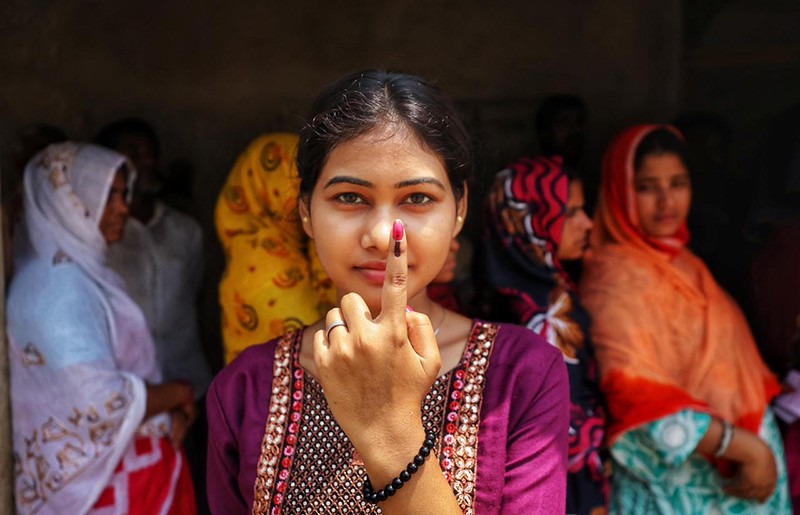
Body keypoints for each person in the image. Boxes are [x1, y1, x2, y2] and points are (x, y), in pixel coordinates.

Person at [206, 69, 570, 514]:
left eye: (417, 198)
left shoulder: (522, 374)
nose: (381, 235)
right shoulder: (245, 389)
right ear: (305, 211)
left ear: (459, 211)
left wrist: (389, 432)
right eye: (350, 198)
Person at [579, 124, 790, 513]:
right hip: (685, 490)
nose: (666, 201)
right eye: (646, 187)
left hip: (734, 484)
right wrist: (745, 448)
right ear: (619, 191)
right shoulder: (614, 278)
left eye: (677, 183)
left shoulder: (686, 263)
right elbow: (633, 394)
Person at [7, 142, 197, 513]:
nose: (123, 208)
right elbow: (99, 402)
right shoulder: (57, 287)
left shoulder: (75, 275)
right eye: (107, 195)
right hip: (106, 490)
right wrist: (177, 393)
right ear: (67, 202)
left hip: (120, 476)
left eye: (123, 194)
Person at [482, 155, 608, 514]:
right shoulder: (544, 315)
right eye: (572, 213)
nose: (588, 223)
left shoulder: (522, 292)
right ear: (531, 222)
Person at [215, 132, 337, 363]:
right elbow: (312, 336)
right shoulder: (258, 262)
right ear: (265, 186)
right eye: (294, 185)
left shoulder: (291, 245)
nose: (304, 201)